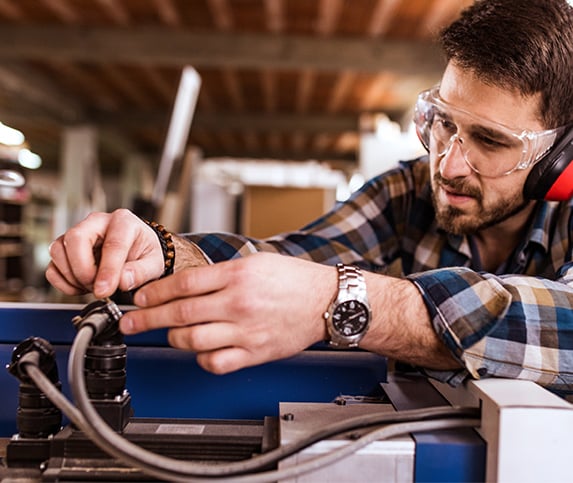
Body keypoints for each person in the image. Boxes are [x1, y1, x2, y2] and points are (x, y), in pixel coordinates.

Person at [46, 0, 573, 401]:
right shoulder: (406, 192)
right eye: (445, 125)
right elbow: (290, 262)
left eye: (491, 141)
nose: (449, 165)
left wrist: (353, 304)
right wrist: (162, 253)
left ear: (561, 161)